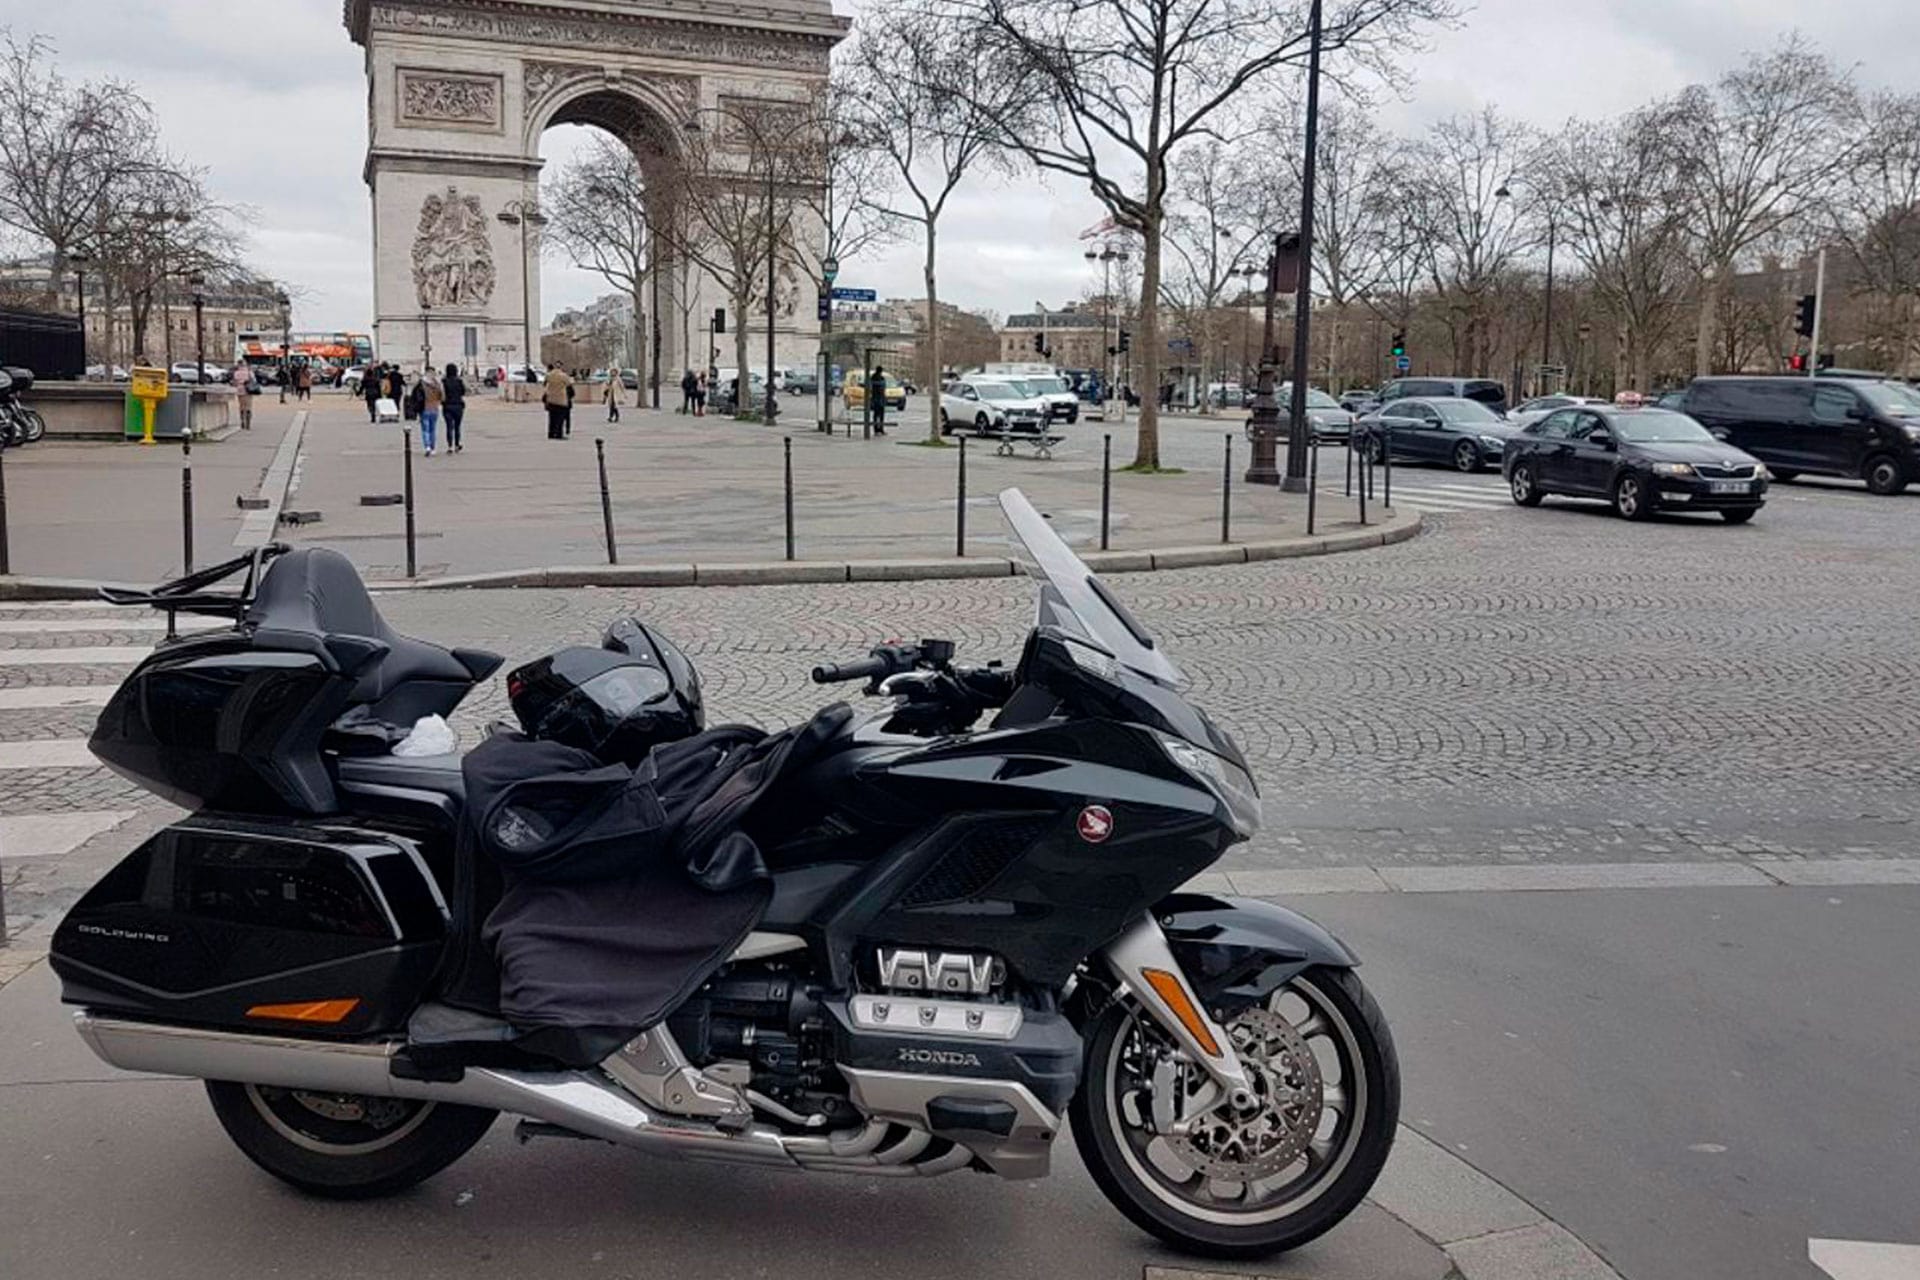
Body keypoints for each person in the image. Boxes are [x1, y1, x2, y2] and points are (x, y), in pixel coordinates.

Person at [543, 365, 574, 440]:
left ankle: (551, 433)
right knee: (560, 418)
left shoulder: (549, 375)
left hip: (551, 399)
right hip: (561, 400)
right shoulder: (563, 376)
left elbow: (544, 384)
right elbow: (570, 385)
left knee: (552, 418)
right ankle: (558, 434)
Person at [442, 363, 466, 453]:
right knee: (457, 426)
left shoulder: (444, 381)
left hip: (447, 405)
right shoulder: (459, 381)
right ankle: (457, 444)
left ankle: (450, 446)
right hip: (458, 405)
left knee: (449, 426)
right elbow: (463, 392)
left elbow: (442, 393)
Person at [418, 368, 443, 456]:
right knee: (433, 429)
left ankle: (427, 446)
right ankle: (433, 448)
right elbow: (442, 396)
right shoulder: (437, 384)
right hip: (434, 408)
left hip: (424, 408)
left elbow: (416, 396)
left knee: (425, 429)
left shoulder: (421, 384)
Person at [230, 361, 255, 430]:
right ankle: (248, 423)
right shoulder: (249, 372)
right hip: (248, 390)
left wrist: (239, 383)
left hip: (240, 390)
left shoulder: (236, 373)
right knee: (248, 406)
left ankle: (242, 420)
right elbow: (253, 380)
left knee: (241, 406)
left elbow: (234, 382)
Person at [868, 365, 887, 435]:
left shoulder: (873, 378)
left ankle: (876, 429)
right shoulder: (881, 378)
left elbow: (871, 388)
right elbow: (883, 388)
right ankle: (880, 429)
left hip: (876, 399)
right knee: (880, 415)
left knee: (876, 415)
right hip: (879, 399)